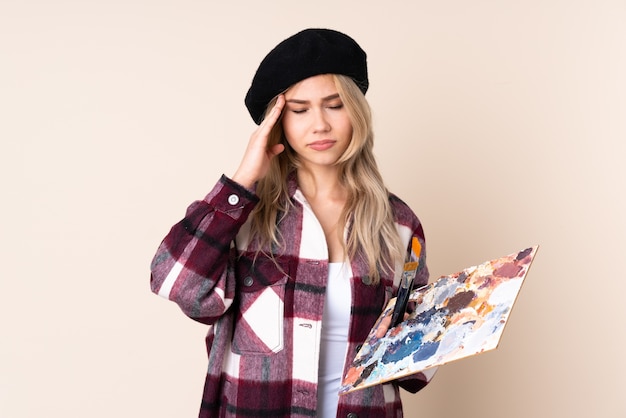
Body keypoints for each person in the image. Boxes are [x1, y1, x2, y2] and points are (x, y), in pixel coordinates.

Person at [150, 28, 436, 418]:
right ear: (278, 122)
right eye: (299, 110)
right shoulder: (244, 217)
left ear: (356, 111)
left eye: (334, 105)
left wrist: (459, 321)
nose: (319, 124)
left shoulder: (399, 224)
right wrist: (242, 179)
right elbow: (177, 284)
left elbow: (415, 370)